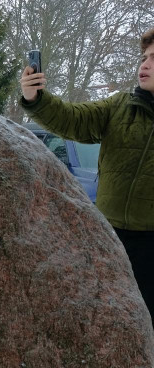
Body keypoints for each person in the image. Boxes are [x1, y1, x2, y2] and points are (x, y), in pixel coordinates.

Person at [20, 29, 154, 315]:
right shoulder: (120, 106)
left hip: (151, 247)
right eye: (144, 57)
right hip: (108, 236)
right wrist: (35, 98)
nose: (144, 64)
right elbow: (72, 119)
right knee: (102, 315)